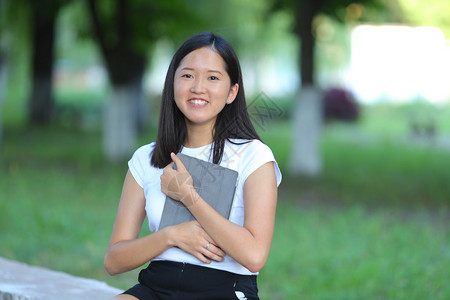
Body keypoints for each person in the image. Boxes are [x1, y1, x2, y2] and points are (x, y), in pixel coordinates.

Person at [105, 32, 282, 300]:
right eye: (187, 75)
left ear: (232, 91)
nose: (198, 87)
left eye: (212, 78)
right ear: (172, 84)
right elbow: (114, 260)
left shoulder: (253, 156)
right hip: (156, 287)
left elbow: (255, 256)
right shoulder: (147, 158)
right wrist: (171, 236)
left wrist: (189, 197)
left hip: (225, 289)